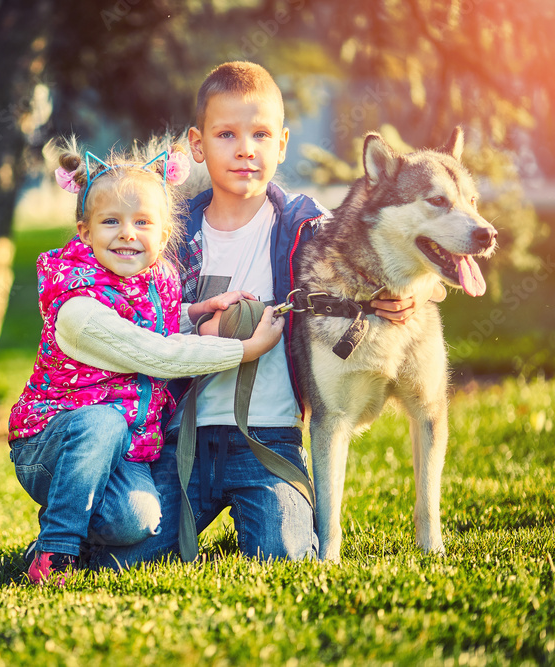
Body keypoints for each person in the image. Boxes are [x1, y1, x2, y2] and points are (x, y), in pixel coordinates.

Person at [95, 61, 445, 567]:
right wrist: (195, 323)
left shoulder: (310, 228)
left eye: (260, 134)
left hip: (269, 438)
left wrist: (421, 290)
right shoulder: (165, 234)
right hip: (182, 440)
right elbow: (116, 298)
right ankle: (69, 528)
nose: (245, 149)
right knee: (127, 557)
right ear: (197, 145)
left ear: (281, 144)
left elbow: (388, 244)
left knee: (282, 555)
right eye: (226, 134)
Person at [8, 138, 287, 585]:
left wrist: (198, 311)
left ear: (163, 234)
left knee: (136, 520)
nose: (127, 234)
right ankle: (58, 548)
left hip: (123, 449)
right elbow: (155, 353)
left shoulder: (152, 280)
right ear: (85, 231)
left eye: (142, 222)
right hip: (50, 448)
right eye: (111, 222)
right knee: (102, 423)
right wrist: (245, 350)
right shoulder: (76, 306)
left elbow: (155, 328)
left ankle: (61, 536)